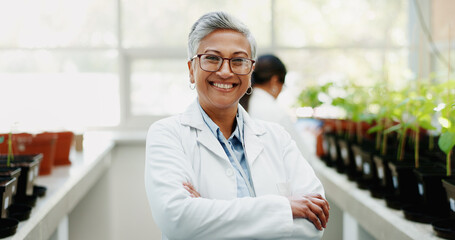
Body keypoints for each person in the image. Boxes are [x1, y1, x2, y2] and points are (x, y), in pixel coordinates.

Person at [144, 11, 329, 240]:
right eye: (212, 58)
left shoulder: (277, 137)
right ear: (191, 70)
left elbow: (314, 223)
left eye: (238, 60)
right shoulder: (167, 135)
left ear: (250, 72)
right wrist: (284, 208)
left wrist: (207, 210)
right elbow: (178, 220)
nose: (225, 71)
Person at [240, 54, 315, 161]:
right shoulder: (275, 112)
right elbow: (302, 155)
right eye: (282, 85)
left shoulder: (242, 104)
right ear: (275, 81)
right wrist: (310, 138)